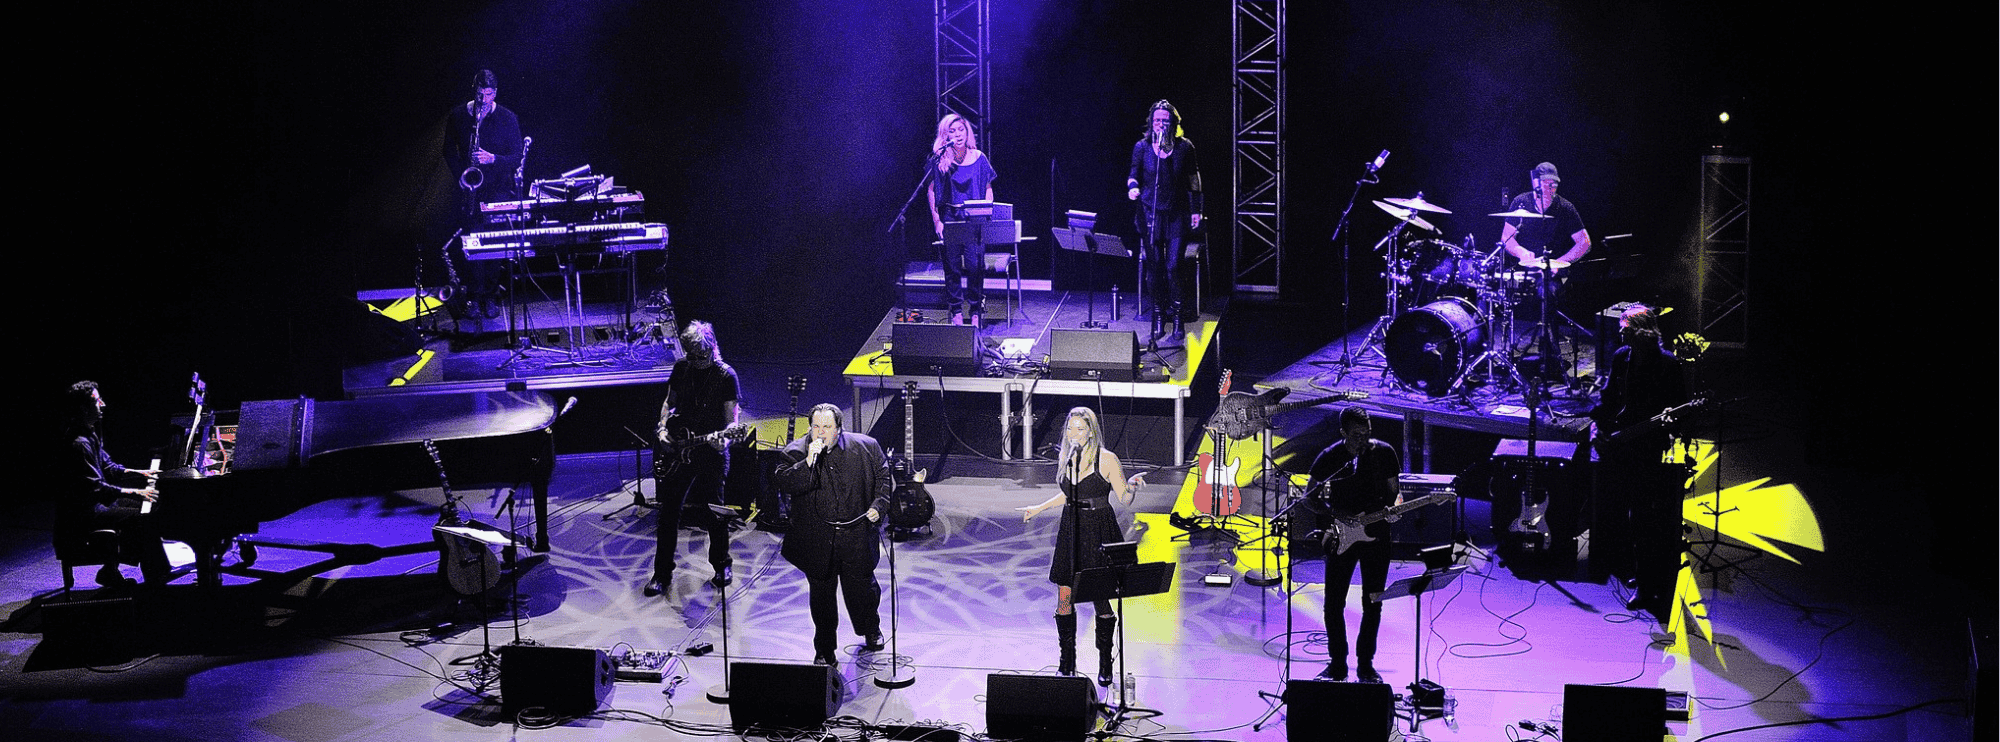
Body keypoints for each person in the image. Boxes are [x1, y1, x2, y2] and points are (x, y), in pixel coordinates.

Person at [1018, 407, 1144, 685]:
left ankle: (1105, 661)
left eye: (1080, 429)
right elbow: (1068, 494)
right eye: (1070, 429)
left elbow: (1124, 498)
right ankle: (1066, 660)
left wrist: (1132, 486)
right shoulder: (1067, 456)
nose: (1074, 434)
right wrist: (1038, 508)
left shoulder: (1107, 459)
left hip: (1098, 528)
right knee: (1064, 595)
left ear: (1091, 431)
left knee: (1100, 596)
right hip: (1071, 529)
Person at [1588, 304, 1687, 615]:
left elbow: (1679, 409)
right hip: (1619, 444)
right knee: (1615, 508)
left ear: (1641, 331)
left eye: (1625, 327)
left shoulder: (1667, 365)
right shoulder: (1622, 358)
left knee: (1643, 515)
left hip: (1647, 447)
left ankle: (1647, 584)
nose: (1619, 331)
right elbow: (1607, 400)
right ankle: (1619, 565)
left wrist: (1673, 424)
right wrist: (1599, 429)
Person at [772, 404, 891, 665]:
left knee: (863, 591)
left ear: (838, 429)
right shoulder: (794, 453)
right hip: (817, 540)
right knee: (822, 599)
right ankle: (824, 651)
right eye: (816, 427)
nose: (821, 433)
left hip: (855, 535)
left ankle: (870, 629)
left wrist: (878, 506)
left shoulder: (867, 447)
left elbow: (884, 477)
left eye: (827, 428)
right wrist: (808, 463)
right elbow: (784, 482)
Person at [1305, 407, 1401, 683]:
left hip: (1377, 535)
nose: (1364, 440)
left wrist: (1392, 507)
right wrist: (1336, 516)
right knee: (1333, 602)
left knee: (1374, 601)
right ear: (1343, 433)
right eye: (1357, 435)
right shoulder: (1331, 457)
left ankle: (1366, 664)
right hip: (1341, 535)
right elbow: (1310, 497)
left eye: (1368, 433)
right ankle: (1337, 663)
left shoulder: (1384, 452)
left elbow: (1395, 492)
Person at [648, 321, 738, 596]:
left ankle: (722, 565)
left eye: (703, 356)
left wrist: (723, 440)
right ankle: (661, 574)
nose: (698, 361)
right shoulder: (681, 369)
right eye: (692, 355)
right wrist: (662, 428)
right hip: (679, 449)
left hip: (710, 452)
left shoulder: (725, 376)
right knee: (668, 514)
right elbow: (669, 402)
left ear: (713, 349)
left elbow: (732, 421)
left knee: (715, 513)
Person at [61, 381, 172, 588]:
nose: (102, 404)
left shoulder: (88, 432)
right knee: (141, 517)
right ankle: (155, 579)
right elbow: (95, 488)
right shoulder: (78, 444)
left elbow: (108, 465)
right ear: (84, 409)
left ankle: (113, 570)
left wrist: (139, 472)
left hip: (96, 503)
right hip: (84, 514)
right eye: (97, 401)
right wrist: (137, 491)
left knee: (145, 509)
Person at [443, 69, 524, 317]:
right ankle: (474, 296)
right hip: (471, 189)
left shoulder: (507, 117)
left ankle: (490, 296)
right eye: (480, 94)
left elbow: (517, 156)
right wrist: (461, 177)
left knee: (494, 244)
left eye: (488, 94)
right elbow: (448, 150)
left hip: (498, 190)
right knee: (472, 243)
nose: (484, 100)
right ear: (474, 90)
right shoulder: (458, 115)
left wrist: (493, 159)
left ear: (495, 93)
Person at [1126, 100, 1203, 340]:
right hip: (1150, 214)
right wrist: (1133, 188)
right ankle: (1158, 318)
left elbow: (1193, 179)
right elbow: (1133, 175)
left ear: (1173, 123)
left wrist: (1196, 209)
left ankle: (1177, 319)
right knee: (1155, 267)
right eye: (1157, 120)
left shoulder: (1184, 147)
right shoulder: (1142, 146)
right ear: (1152, 122)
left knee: (1173, 267)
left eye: (1165, 120)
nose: (1161, 123)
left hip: (1176, 214)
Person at [926, 113, 998, 326]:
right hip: (950, 216)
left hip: (975, 218)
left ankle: (975, 310)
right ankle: (956, 311)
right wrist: (937, 220)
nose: (957, 134)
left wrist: (986, 212)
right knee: (952, 266)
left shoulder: (979, 157)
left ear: (967, 133)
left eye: (961, 130)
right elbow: (931, 190)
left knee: (976, 266)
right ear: (945, 135)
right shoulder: (940, 160)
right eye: (952, 131)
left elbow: (988, 188)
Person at [1500, 162, 1590, 269]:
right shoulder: (1521, 202)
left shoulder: (1565, 207)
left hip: (1554, 272)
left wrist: (1560, 263)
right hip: (1523, 269)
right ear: (1535, 183)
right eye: (1545, 183)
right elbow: (1506, 237)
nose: (1550, 188)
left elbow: (1584, 243)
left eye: (1553, 184)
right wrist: (1519, 251)